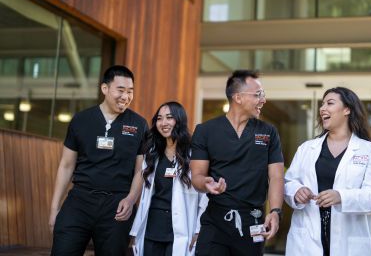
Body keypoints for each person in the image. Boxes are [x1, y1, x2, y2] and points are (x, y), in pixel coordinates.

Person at [49, 65, 148, 255]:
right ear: (105, 88)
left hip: (117, 205)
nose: (126, 97)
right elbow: (66, 165)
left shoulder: (139, 124)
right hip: (80, 200)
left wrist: (130, 199)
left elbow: (140, 170)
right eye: (121, 90)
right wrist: (54, 208)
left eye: (130, 92)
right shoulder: (81, 120)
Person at [190, 69, 284, 256]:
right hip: (215, 222)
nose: (263, 100)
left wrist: (275, 211)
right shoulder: (205, 131)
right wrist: (207, 183)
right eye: (258, 94)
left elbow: (276, 177)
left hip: (253, 221)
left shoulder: (268, 132)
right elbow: (197, 176)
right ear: (238, 97)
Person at [284, 87, 371, 256]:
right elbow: (289, 182)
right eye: (322, 104)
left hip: (349, 243)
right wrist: (296, 191)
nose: (322, 108)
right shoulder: (306, 149)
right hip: (307, 241)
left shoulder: (370, 151)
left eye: (330, 103)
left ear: (347, 109)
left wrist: (341, 196)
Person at [129, 101, 208, 256]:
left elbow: (204, 197)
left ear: (179, 120)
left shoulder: (194, 153)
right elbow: (145, 197)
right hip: (152, 228)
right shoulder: (152, 153)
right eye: (159, 118)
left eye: (169, 117)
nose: (163, 123)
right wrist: (135, 230)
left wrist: (199, 229)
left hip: (180, 229)